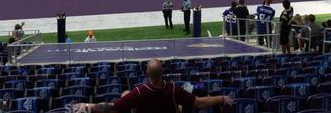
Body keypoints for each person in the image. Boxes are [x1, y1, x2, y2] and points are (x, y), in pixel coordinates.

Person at [72, 59, 233, 113]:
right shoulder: (172, 89)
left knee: (125, 96)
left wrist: (86, 106)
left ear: (147, 73)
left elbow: (111, 108)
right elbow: (199, 102)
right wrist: (222, 98)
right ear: (162, 72)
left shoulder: (140, 92)